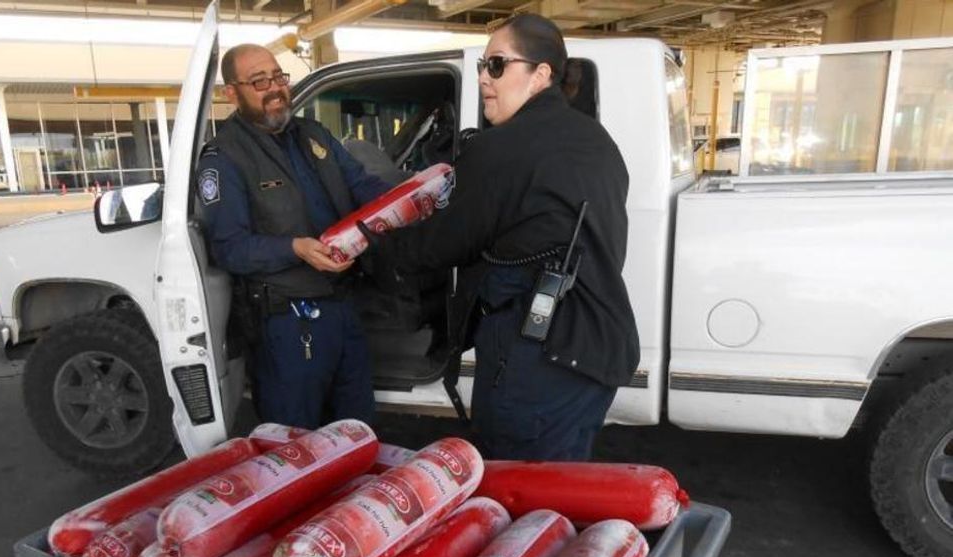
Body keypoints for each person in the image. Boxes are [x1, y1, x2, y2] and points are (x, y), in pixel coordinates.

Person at [361, 14, 639, 460]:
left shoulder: (501, 148)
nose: (484, 78)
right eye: (482, 66)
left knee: (519, 490)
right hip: (595, 348)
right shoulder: (597, 140)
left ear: (541, 74)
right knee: (562, 483)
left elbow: (442, 244)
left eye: (496, 65)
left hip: (537, 356)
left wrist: (367, 246)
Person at [197, 43, 391, 429]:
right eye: (259, 81)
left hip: (343, 305)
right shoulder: (224, 157)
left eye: (278, 77)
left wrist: (400, 201)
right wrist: (295, 248)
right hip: (287, 322)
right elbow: (229, 248)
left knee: (358, 430)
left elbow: (360, 184)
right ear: (230, 93)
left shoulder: (313, 134)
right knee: (297, 441)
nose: (274, 88)